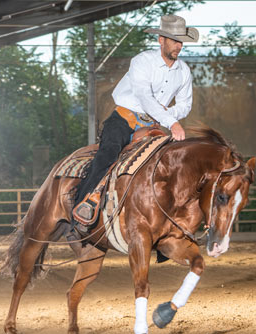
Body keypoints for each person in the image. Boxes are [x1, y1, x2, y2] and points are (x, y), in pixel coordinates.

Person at [73, 15, 199, 225]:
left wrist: (168, 116)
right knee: (108, 152)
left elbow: (185, 105)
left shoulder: (183, 71)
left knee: (171, 164)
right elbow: (144, 97)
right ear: (161, 40)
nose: (178, 45)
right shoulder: (142, 61)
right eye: (174, 40)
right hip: (125, 118)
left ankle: (171, 220)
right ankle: (87, 202)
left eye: (181, 41)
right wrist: (171, 122)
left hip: (153, 125)